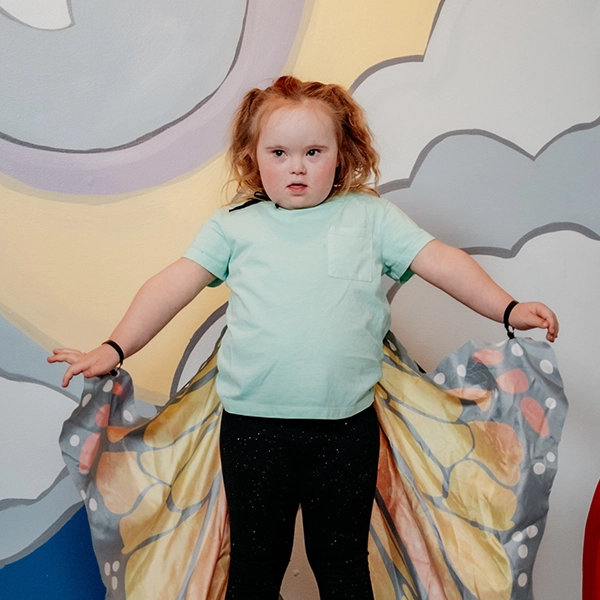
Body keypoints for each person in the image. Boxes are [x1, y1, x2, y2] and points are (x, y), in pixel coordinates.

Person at [49, 76, 558, 600]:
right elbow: (169, 286)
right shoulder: (234, 226)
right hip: (252, 431)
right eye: (280, 152)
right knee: (254, 569)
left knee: (340, 567)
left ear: (342, 155)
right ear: (253, 157)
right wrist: (112, 348)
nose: (297, 166)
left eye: (314, 151)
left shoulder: (369, 216)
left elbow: (443, 262)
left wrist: (509, 307)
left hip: (344, 430)